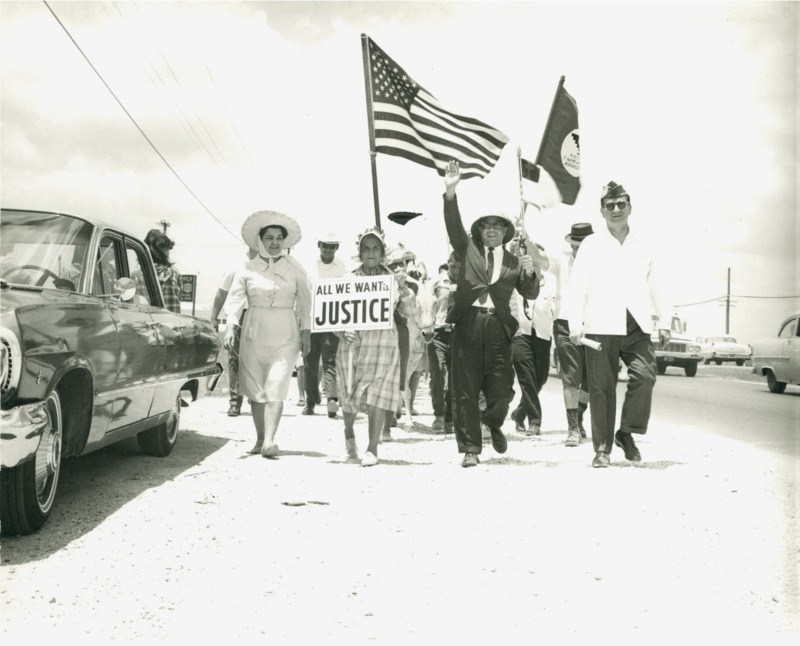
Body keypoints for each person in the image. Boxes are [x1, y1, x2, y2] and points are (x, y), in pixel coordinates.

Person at [565, 181, 671, 468]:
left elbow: (657, 283)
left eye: (621, 204)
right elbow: (577, 286)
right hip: (601, 324)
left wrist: (665, 319)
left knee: (645, 377)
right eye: (609, 205)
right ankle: (602, 449)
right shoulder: (590, 244)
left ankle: (626, 433)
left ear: (630, 208)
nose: (615, 209)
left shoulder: (645, 245)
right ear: (601, 211)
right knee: (601, 387)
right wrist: (575, 322)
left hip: (636, 324)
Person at [442, 160, 540, 467]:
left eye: (498, 225)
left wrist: (530, 272)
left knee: (501, 389)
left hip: (498, 327)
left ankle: (494, 422)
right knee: (465, 389)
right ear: (479, 231)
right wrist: (450, 192)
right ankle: (471, 448)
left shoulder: (514, 259)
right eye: (486, 225)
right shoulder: (466, 250)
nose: (492, 230)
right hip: (468, 324)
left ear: (506, 231)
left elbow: (530, 293)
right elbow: (452, 224)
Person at [223, 210, 312, 458]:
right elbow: (235, 301)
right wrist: (231, 325)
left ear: (285, 242)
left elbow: (305, 303)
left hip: (285, 331)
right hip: (254, 330)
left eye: (279, 238)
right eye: (269, 237)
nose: (274, 242)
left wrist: (306, 332)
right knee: (255, 388)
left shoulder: (295, 269)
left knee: (277, 384)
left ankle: (270, 440)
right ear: (260, 240)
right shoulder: (247, 269)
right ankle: (260, 438)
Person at [336, 227, 416, 466]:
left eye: (376, 248)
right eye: (366, 248)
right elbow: (332, 316)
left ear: (383, 253)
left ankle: (372, 448)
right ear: (360, 253)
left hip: (383, 344)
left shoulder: (393, 280)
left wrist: (403, 289)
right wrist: (343, 329)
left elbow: (410, 313)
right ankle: (349, 434)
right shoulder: (348, 280)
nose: (371, 253)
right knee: (349, 397)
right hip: (354, 346)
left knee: (377, 397)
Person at [551, 223, 594, 446]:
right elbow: (539, 257)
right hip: (566, 324)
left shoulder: (602, 262)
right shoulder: (562, 260)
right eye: (575, 246)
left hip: (595, 325)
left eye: (583, 245)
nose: (579, 250)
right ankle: (573, 429)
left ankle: (579, 415)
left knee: (590, 380)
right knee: (571, 377)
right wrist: (525, 241)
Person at [509, 241, 554, 437]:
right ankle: (534, 421)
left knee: (541, 378)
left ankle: (519, 413)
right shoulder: (516, 279)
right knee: (527, 377)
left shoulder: (551, 283)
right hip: (521, 334)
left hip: (543, 335)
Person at [303, 231, 347, 418]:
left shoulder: (342, 267)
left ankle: (332, 400)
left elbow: (346, 294)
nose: (328, 249)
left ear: (337, 247)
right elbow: (303, 295)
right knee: (310, 363)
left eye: (332, 246)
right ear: (319, 245)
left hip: (332, 321)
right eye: (325, 245)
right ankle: (311, 402)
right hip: (312, 321)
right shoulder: (309, 266)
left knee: (330, 360)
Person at [210, 247, 257, 417]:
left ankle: (255, 397)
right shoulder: (236, 266)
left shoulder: (269, 266)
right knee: (235, 357)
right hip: (237, 316)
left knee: (258, 358)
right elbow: (222, 293)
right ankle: (235, 402)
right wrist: (214, 317)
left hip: (260, 315)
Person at [427, 255, 456, 432]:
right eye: (453, 265)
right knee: (437, 373)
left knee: (454, 378)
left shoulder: (468, 280)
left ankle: (450, 417)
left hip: (457, 333)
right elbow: (427, 304)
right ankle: (438, 413)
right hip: (437, 332)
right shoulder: (437, 282)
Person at [143, 229, 182, 313]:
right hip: (170, 323)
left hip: (144, 323)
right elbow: (180, 295)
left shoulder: (136, 274)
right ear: (165, 250)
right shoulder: (175, 273)